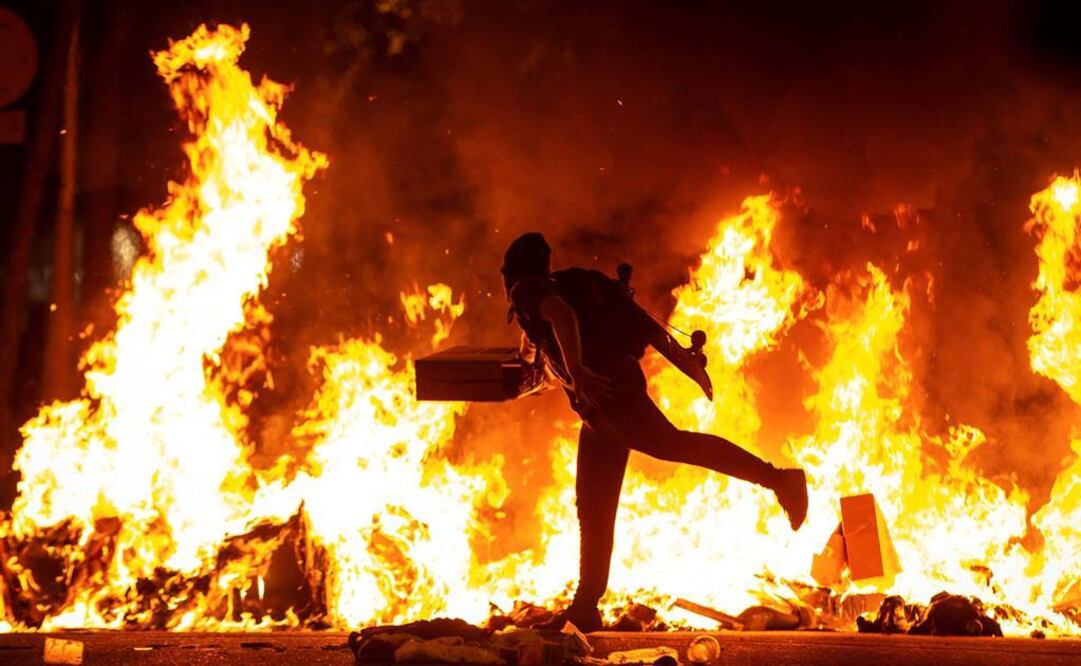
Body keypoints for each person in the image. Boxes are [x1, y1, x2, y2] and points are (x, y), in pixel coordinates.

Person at [501, 232, 808, 633]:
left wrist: (576, 370)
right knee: (593, 504)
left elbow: (561, 316)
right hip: (602, 409)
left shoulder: (529, 291)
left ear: (511, 274)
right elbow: (644, 327)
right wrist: (688, 364)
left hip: (611, 398)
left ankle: (779, 479)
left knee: (671, 445)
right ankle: (585, 606)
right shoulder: (567, 289)